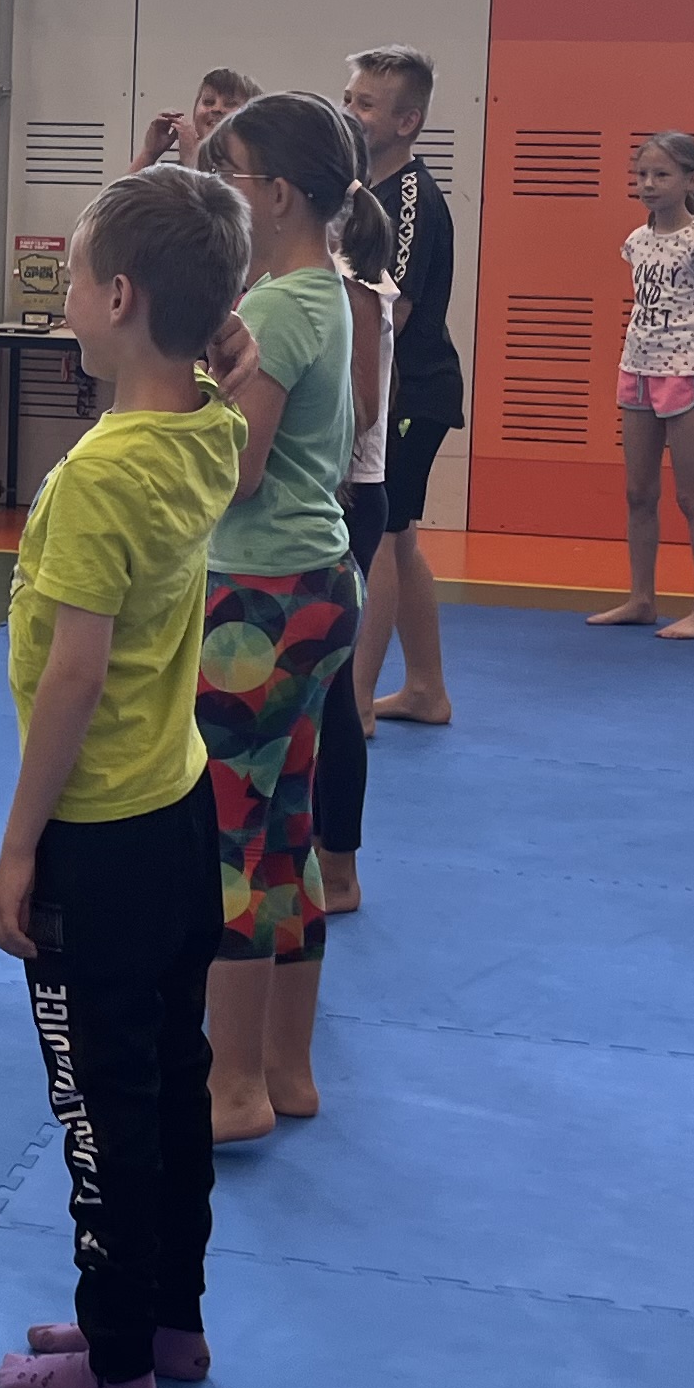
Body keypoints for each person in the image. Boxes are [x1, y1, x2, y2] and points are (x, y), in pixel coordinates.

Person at [0, 164, 255, 1388]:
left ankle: (114, 1364)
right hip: (180, 813)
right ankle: (167, 1319)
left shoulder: (101, 475)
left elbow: (75, 675)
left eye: (78, 277)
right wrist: (220, 345)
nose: (65, 298)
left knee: (101, 1103)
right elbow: (224, 384)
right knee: (171, 1078)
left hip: (99, 836)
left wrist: (17, 848)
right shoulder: (209, 430)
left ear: (121, 296)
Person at [196, 92, 369, 1142]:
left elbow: (240, 469)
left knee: (230, 840)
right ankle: (284, 1068)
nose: (225, 191)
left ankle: (232, 1088)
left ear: (280, 195)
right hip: (315, 582)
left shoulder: (278, 310)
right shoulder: (320, 293)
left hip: (258, 595)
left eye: (234, 175)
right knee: (282, 833)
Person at [343, 45, 466, 728]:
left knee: (383, 538)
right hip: (386, 388)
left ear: (406, 121)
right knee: (403, 536)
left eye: (365, 103)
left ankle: (357, 698)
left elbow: (395, 312)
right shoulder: (361, 192)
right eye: (349, 96)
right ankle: (425, 689)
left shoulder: (412, 197)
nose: (350, 110)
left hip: (411, 392)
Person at [592, 130, 694, 642]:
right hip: (637, 369)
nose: (649, 184)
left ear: (691, 180)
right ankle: (642, 598)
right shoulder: (637, 241)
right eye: (642, 175)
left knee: (692, 495)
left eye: (662, 175)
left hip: (685, 372)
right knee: (638, 492)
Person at [314, 184, 398, 916]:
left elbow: (364, 406)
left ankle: (339, 867)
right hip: (327, 492)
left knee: (334, 687)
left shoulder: (357, 294)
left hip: (348, 494)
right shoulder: (322, 290)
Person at [136, 65, 259, 173]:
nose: (217, 108)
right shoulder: (173, 171)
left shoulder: (258, 170)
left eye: (230, 104)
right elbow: (124, 192)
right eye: (208, 102)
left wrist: (193, 160)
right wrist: (149, 154)